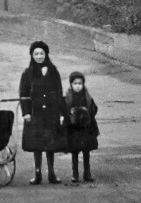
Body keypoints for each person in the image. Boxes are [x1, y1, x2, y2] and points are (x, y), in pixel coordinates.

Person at [18, 40, 66, 184]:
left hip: (51, 113)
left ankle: (52, 173)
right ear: (32, 56)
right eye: (36, 54)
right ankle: (37, 173)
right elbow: (23, 95)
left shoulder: (53, 71)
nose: (39, 56)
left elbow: (59, 92)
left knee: (51, 143)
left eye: (41, 53)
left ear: (46, 54)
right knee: (37, 143)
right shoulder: (27, 73)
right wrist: (26, 113)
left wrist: (62, 113)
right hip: (35, 113)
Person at [64, 71, 99, 183]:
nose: (78, 86)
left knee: (86, 151)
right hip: (74, 129)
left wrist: (87, 112)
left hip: (85, 129)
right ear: (71, 84)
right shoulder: (68, 97)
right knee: (74, 152)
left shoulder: (87, 96)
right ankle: (75, 173)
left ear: (83, 84)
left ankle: (87, 173)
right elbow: (64, 110)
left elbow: (94, 108)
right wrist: (70, 115)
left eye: (80, 83)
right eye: (75, 83)